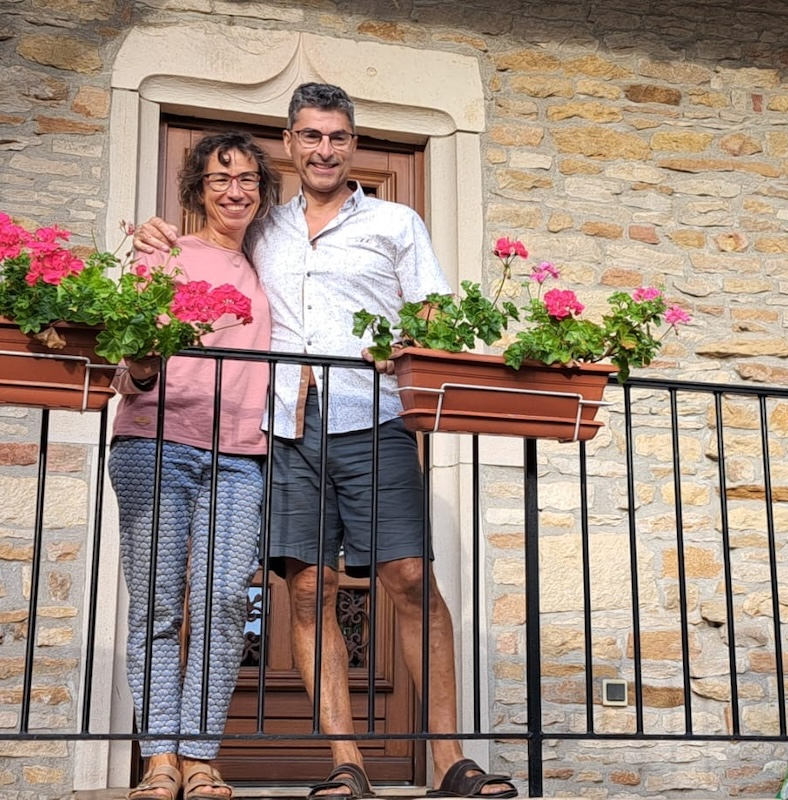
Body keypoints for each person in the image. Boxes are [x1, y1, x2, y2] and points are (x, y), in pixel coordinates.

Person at [134, 84, 517, 800]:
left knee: (408, 580)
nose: (324, 149)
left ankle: (448, 762)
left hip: (373, 420)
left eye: (338, 137)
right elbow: (207, 245)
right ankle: (348, 764)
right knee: (307, 593)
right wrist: (156, 233)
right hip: (285, 430)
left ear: (354, 143)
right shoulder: (265, 226)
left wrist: (410, 340)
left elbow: (432, 316)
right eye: (310, 136)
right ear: (290, 141)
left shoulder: (397, 222)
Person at [110, 131, 280, 800]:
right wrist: (141, 370)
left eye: (246, 180)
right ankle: (159, 758)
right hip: (156, 442)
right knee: (156, 604)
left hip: (239, 455)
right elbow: (128, 354)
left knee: (223, 602)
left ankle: (200, 755)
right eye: (218, 178)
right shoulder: (165, 253)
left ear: (263, 193)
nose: (234, 190)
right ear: (196, 190)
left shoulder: (268, 266)